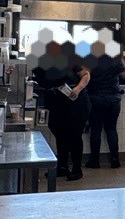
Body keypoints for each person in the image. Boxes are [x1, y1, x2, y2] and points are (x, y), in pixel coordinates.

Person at [32, 39, 89, 180]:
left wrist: (77, 89)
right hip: (56, 102)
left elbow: (86, 75)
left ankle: (77, 169)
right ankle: (62, 167)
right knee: (60, 135)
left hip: (76, 102)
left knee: (74, 136)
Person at [84, 38, 125, 169]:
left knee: (95, 130)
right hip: (113, 100)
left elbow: (83, 74)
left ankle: (94, 161)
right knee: (111, 129)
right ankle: (115, 160)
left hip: (95, 99)